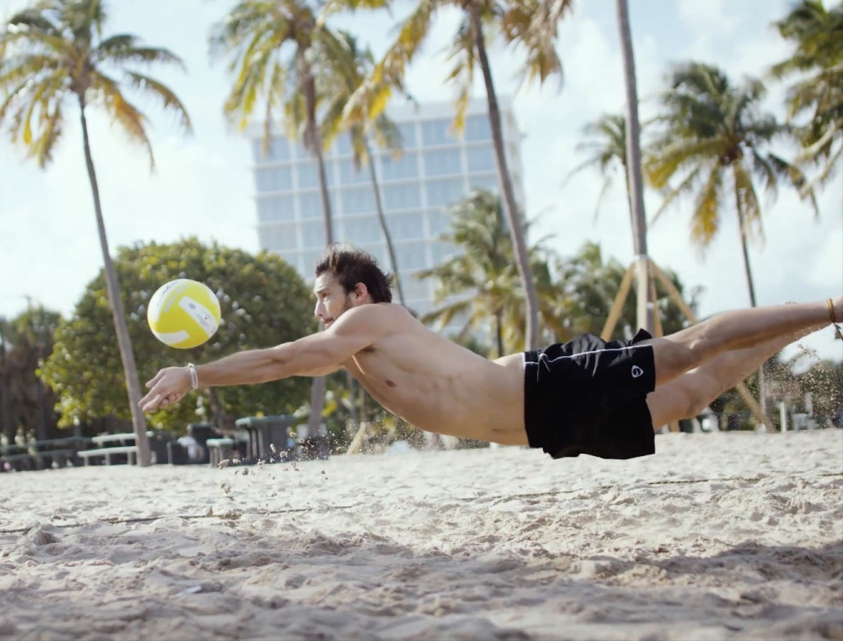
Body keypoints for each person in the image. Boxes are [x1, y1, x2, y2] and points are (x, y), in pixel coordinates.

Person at [140, 245, 843, 460]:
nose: (314, 310)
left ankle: (833, 306)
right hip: (539, 428)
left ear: (355, 295)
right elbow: (293, 360)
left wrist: (194, 372)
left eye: (321, 296)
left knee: (687, 349)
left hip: (543, 388)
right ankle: (793, 329)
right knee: (688, 398)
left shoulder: (370, 321)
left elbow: (280, 359)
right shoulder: (355, 346)